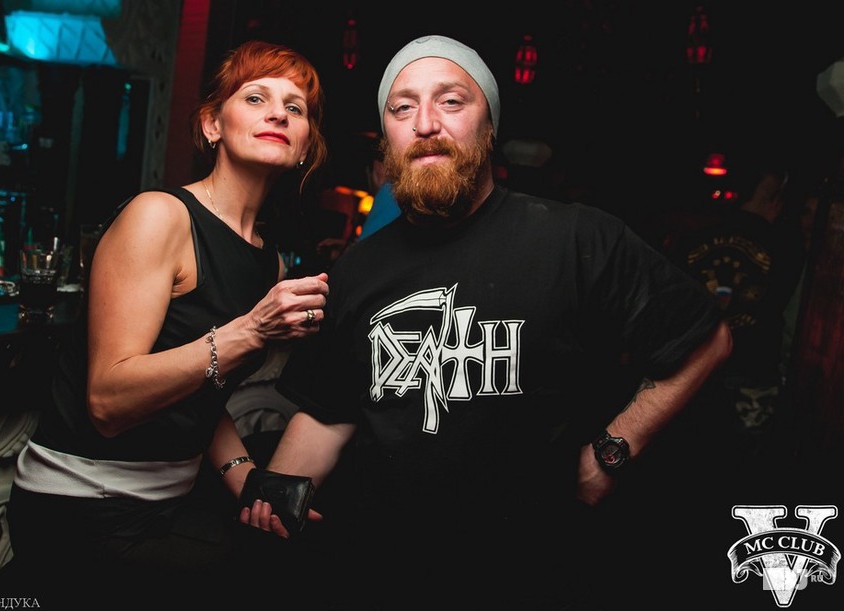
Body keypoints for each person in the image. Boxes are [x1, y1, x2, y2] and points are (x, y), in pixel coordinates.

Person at [240, 34, 732, 609]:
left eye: (451, 101)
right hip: (387, 564)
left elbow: (707, 340)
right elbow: (329, 409)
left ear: (490, 126)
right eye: (402, 107)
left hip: (537, 567)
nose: (425, 123)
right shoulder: (357, 268)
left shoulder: (575, 238)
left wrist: (611, 452)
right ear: (387, 138)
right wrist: (274, 499)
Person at [0, 40, 329, 608]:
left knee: (301, 548)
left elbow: (198, 388)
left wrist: (249, 481)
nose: (278, 113)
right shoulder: (160, 216)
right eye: (256, 98)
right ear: (211, 125)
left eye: (294, 108)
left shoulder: (267, 262)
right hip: (83, 507)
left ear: (305, 146)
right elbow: (108, 400)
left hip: (165, 502)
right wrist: (252, 331)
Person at [668, 159, 806, 459]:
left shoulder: (693, 236)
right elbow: (793, 315)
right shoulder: (789, 245)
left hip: (694, 373)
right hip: (753, 373)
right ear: (775, 201)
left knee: (691, 457)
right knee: (743, 464)